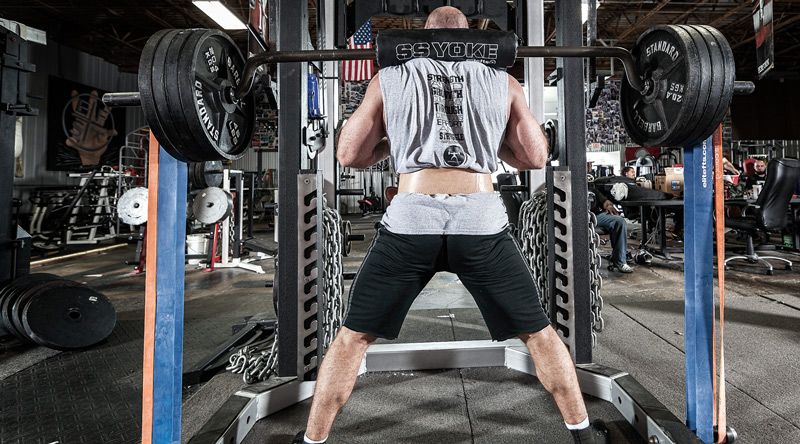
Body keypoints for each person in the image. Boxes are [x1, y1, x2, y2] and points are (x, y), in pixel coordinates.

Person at [292, 7, 607, 444]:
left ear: (423, 36)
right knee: (538, 334)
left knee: (352, 338)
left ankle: (311, 440)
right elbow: (536, 156)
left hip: (410, 219)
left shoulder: (388, 78)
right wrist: (495, 146)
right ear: (471, 36)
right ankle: (584, 436)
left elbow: (348, 154)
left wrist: (393, 144)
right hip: (481, 221)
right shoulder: (503, 81)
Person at [590, 183, 633, 273]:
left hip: (595, 216)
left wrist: (609, 205)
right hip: (577, 218)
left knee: (619, 221)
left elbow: (605, 201)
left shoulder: (590, 188)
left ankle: (620, 261)